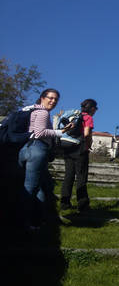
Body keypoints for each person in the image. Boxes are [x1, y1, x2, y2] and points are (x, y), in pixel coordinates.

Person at [19, 89, 73, 230]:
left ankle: (39, 220)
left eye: (56, 99)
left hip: (26, 149)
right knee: (31, 188)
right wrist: (61, 132)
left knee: (42, 187)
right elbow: (39, 133)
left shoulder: (31, 109)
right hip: (36, 149)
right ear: (42, 98)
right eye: (50, 98)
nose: (53, 101)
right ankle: (24, 222)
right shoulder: (43, 112)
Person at [60, 98, 97, 212]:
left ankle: (64, 203)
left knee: (68, 176)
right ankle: (82, 204)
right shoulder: (88, 118)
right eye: (95, 108)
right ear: (92, 108)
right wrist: (89, 144)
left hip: (67, 146)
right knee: (81, 177)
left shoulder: (75, 115)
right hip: (80, 148)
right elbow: (86, 134)